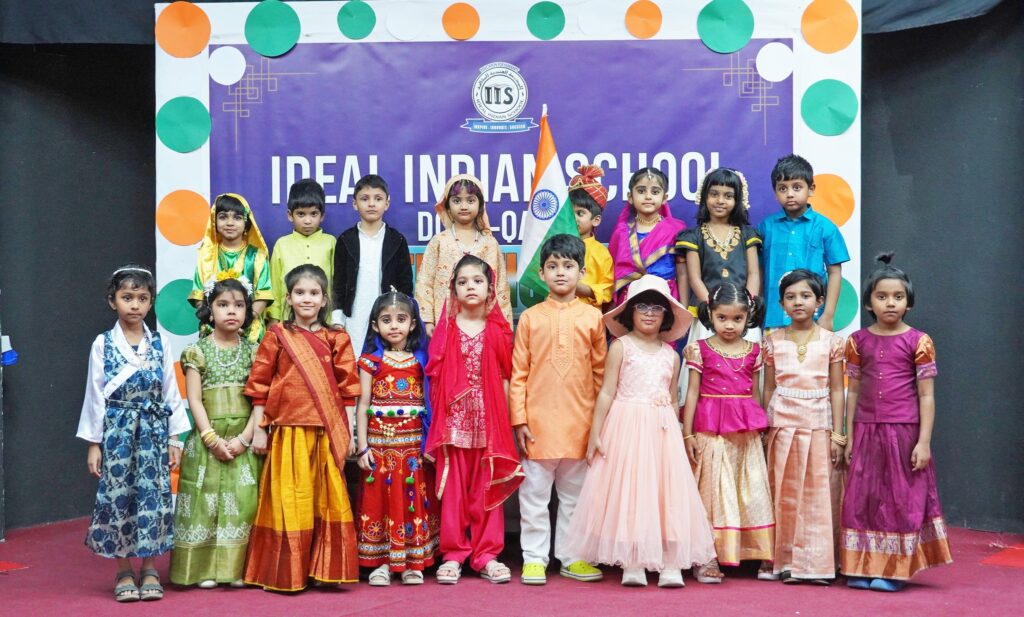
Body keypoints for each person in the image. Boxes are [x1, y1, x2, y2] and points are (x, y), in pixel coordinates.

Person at [564, 274, 715, 588]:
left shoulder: (671, 356)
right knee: (630, 492)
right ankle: (632, 560)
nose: (649, 313)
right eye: (642, 306)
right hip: (626, 426)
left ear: (666, 315)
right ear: (629, 311)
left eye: (657, 307)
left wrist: (676, 435)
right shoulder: (621, 347)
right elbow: (606, 392)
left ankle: (670, 562)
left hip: (661, 429)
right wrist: (595, 433)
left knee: (666, 494)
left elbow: (672, 398)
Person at [242, 265, 361, 591]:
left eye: (313, 293)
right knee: (291, 501)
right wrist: (260, 428)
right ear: (289, 297)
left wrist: (349, 431)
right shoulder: (277, 335)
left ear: (324, 299)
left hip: (326, 431)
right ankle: (288, 571)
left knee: (326, 498)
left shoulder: (337, 337)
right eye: (300, 293)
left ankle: (325, 570)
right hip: (287, 431)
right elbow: (260, 384)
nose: (306, 299)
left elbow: (349, 389)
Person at [78, 265, 190, 602]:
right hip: (117, 433)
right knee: (119, 497)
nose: (135, 305)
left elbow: (171, 392)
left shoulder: (160, 342)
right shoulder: (103, 344)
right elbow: (94, 394)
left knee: (152, 497)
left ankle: (151, 566)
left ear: (151, 302)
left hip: (153, 432)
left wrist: (174, 438)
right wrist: (94, 444)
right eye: (127, 297)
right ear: (112, 301)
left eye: (142, 298)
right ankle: (124, 568)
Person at [841, 253, 952, 591]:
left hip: (903, 433)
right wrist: (847, 434)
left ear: (909, 302)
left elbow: (926, 396)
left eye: (898, 296)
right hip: (865, 431)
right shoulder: (857, 341)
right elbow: (853, 390)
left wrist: (923, 442)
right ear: (869, 303)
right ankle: (861, 566)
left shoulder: (919, 341)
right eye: (882, 296)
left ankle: (894, 571)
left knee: (900, 501)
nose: (890, 303)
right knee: (862, 499)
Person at [510, 234, 607, 585]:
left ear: (582, 272)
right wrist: (519, 419)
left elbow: (601, 375)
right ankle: (534, 558)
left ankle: (573, 556)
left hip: (580, 423)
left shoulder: (593, 318)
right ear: (541, 273)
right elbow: (518, 373)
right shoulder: (530, 318)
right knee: (533, 497)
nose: (561, 273)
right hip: (537, 425)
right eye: (553, 266)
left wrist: (599, 424)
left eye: (568, 266)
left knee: (576, 497)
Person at [425, 254, 523, 584]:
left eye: (478, 281)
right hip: (453, 425)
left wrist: (506, 422)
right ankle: (454, 554)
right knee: (453, 491)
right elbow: (435, 375)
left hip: (489, 423)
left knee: (486, 489)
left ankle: (486, 555)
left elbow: (507, 377)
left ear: (490, 289)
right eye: (463, 282)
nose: (470, 287)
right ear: (452, 289)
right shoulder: (447, 328)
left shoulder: (497, 330)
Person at [170, 276, 261, 588]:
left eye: (239, 305)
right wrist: (210, 438)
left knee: (243, 501)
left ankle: (236, 570)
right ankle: (202, 570)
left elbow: (260, 400)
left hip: (242, 441)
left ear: (248, 311)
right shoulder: (197, 351)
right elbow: (194, 399)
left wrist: (245, 438)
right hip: (208, 441)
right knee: (203, 501)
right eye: (223, 305)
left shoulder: (255, 352)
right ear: (209, 310)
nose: (231, 311)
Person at [681, 282, 773, 582]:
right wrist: (688, 434)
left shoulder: (755, 351)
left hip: (745, 431)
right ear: (710, 314)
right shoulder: (699, 349)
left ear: (749, 317)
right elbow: (691, 393)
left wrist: (760, 428)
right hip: (711, 430)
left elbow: (756, 393)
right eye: (722, 318)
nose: (729, 325)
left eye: (737, 318)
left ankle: (758, 552)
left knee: (751, 489)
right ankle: (708, 555)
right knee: (714, 493)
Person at [761, 270, 846, 584]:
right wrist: (764, 426)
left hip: (819, 426)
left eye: (806, 296)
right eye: (791, 297)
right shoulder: (772, 341)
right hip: (782, 428)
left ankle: (818, 564)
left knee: (818, 496)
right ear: (781, 304)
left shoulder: (832, 342)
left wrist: (838, 434)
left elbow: (837, 389)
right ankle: (784, 561)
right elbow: (768, 388)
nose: (798, 302)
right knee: (784, 494)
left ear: (819, 301)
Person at [354, 289, 440, 586]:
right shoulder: (370, 362)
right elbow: (363, 405)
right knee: (379, 501)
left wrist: (430, 443)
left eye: (401, 319)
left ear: (413, 324)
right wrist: (362, 447)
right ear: (375, 325)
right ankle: (380, 563)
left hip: (412, 447)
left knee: (412, 500)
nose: (394, 325)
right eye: (386, 320)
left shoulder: (421, 360)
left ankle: (411, 563)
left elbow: (430, 403)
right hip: (379, 447)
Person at [758, 154, 849, 331]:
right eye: (782, 189)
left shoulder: (825, 227)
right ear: (775, 193)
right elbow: (759, 271)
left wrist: (828, 316)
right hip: (773, 317)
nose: (790, 194)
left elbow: (834, 273)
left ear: (811, 189)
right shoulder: (766, 227)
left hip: (813, 318)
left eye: (797, 187)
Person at [415, 174, 513, 336]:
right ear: (447, 207)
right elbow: (425, 282)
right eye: (456, 201)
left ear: (480, 206)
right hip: (444, 325)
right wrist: (428, 321)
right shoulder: (439, 242)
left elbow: (500, 287)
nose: (464, 206)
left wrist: (503, 326)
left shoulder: (489, 243)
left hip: (482, 327)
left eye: (470, 200)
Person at [333, 174, 413, 350]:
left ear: (387, 203)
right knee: (355, 359)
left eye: (378, 199)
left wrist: (403, 317)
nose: (371, 204)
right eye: (364, 199)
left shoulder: (397, 240)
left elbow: (406, 283)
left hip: (389, 318)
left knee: (386, 360)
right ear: (355, 203)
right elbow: (338, 283)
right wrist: (338, 320)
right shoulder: (346, 240)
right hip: (354, 317)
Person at [189, 193, 274, 342]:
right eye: (223, 217)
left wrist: (243, 323)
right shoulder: (206, 256)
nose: (230, 223)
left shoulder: (257, 256)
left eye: (237, 218)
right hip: (213, 329)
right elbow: (199, 296)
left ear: (246, 223)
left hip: (249, 330)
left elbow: (263, 295)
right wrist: (214, 322)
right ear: (214, 221)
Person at [608, 167, 687, 306]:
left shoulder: (676, 230)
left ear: (664, 198)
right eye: (641, 191)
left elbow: (682, 273)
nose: (648, 196)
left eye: (655, 192)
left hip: (666, 299)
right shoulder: (621, 232)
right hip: (629, 300)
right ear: (630, 197)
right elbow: (612, 274)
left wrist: (683, 307)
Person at [266, 178, 336, 325]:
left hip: (324, 322)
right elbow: (274, 287)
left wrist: (335, 320)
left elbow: (336, 285)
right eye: (301, 214)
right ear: (290, 215)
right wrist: (274, 322)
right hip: (288, 322)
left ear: (322, 215)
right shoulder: (282, 244)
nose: (307, 221)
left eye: (313, 214)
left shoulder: (330, 243)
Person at [569, 165, 614, 309]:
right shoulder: (556, 246)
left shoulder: (601, 253)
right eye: (569, 213)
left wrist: (579, 288)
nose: (573, 218)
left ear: (596, 220)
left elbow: (607, 290)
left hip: (588, 317)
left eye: (580, 213)